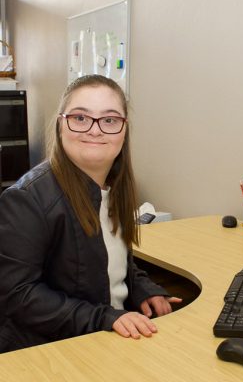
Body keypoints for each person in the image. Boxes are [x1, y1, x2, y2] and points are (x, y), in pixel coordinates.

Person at [0, 75, 181, 353]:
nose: (95, 130)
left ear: (124, 130)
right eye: (81, 118)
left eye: (109, 120)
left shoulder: (113, 188)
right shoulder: (27, 199)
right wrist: (105, 317)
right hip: (54, 350)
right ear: (62, 124)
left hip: (108, 337)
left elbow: (106, 260)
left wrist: (143, 288)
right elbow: (18, 295)